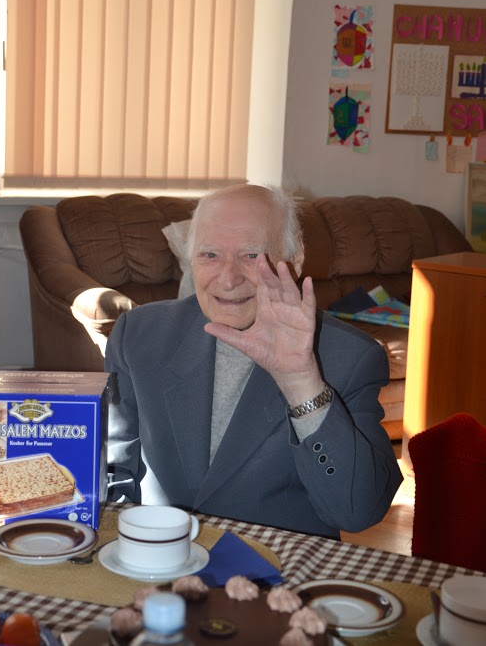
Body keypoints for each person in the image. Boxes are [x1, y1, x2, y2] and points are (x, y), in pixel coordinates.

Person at [105, 184, 402, 537]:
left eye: (251, 256)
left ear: (294, 259)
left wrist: (301, 383)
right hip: (153, 552)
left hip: (276, 564)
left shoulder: (349, 357)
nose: (228, 279)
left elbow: (358, 511)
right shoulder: (139, 335)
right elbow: (114, 469)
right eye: (210, 255)